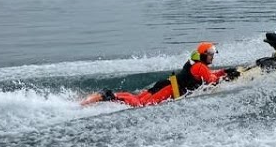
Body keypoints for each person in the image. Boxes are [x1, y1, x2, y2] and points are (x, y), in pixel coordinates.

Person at [81, 42, 241, 107]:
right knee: (140, 104)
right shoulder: (200, 67)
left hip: (165, 85)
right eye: (211, 53)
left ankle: (108, 95)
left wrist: (223, 71)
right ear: (203, 54)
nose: (213, 56)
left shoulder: (198, 65)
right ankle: (106, 97)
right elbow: (211, 79)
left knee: (138, 98)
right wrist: (226, 76)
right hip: (168, 89)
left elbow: (210, 75)